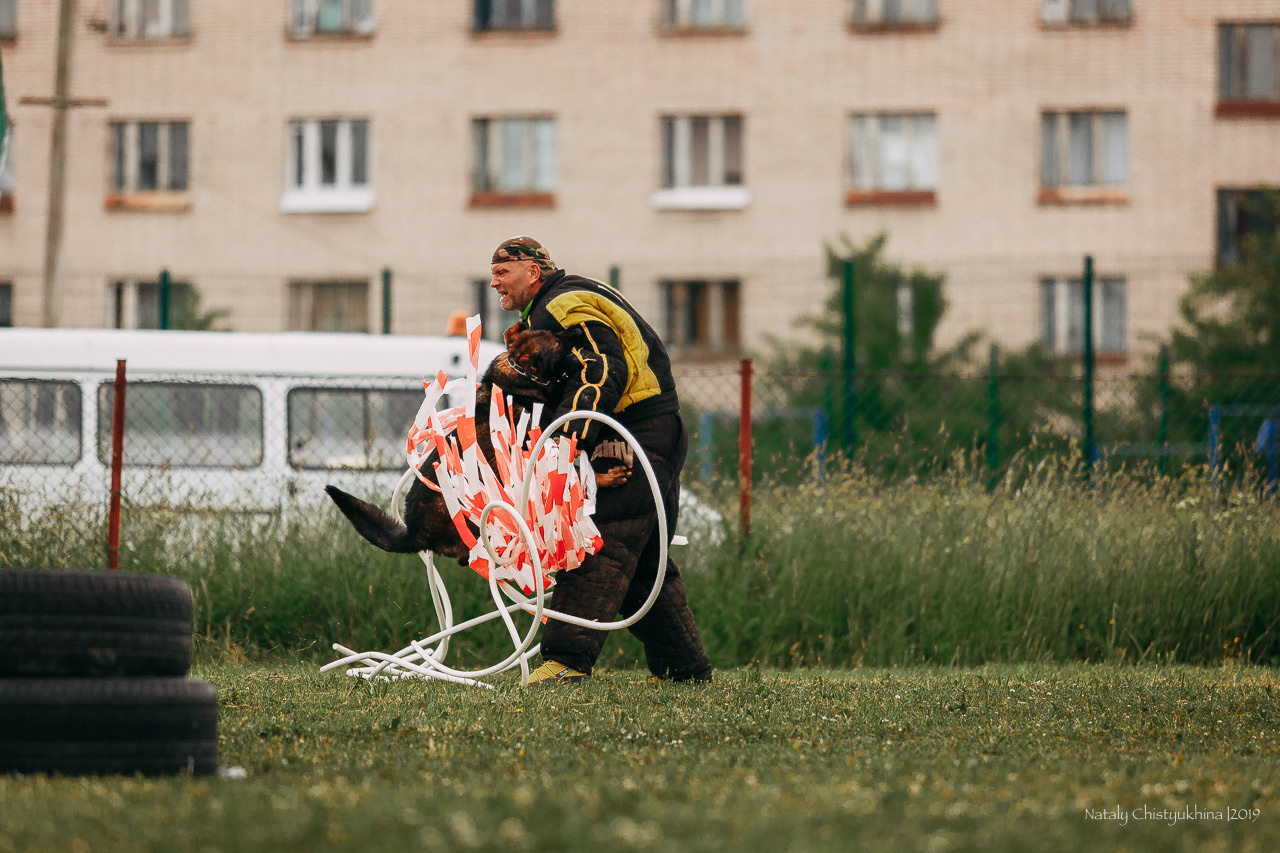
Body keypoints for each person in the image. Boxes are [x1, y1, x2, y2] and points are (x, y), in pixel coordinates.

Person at [488, 235, 713, 686]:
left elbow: (602, 369)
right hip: (652, 425)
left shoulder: (560, 305)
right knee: (644, 561)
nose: (494, 283)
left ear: (533, 272)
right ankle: (683, 671)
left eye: (501, 272)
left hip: (637, 429)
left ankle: (566, 661)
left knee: (602, 540)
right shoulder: (560, 300)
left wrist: (565, 442)